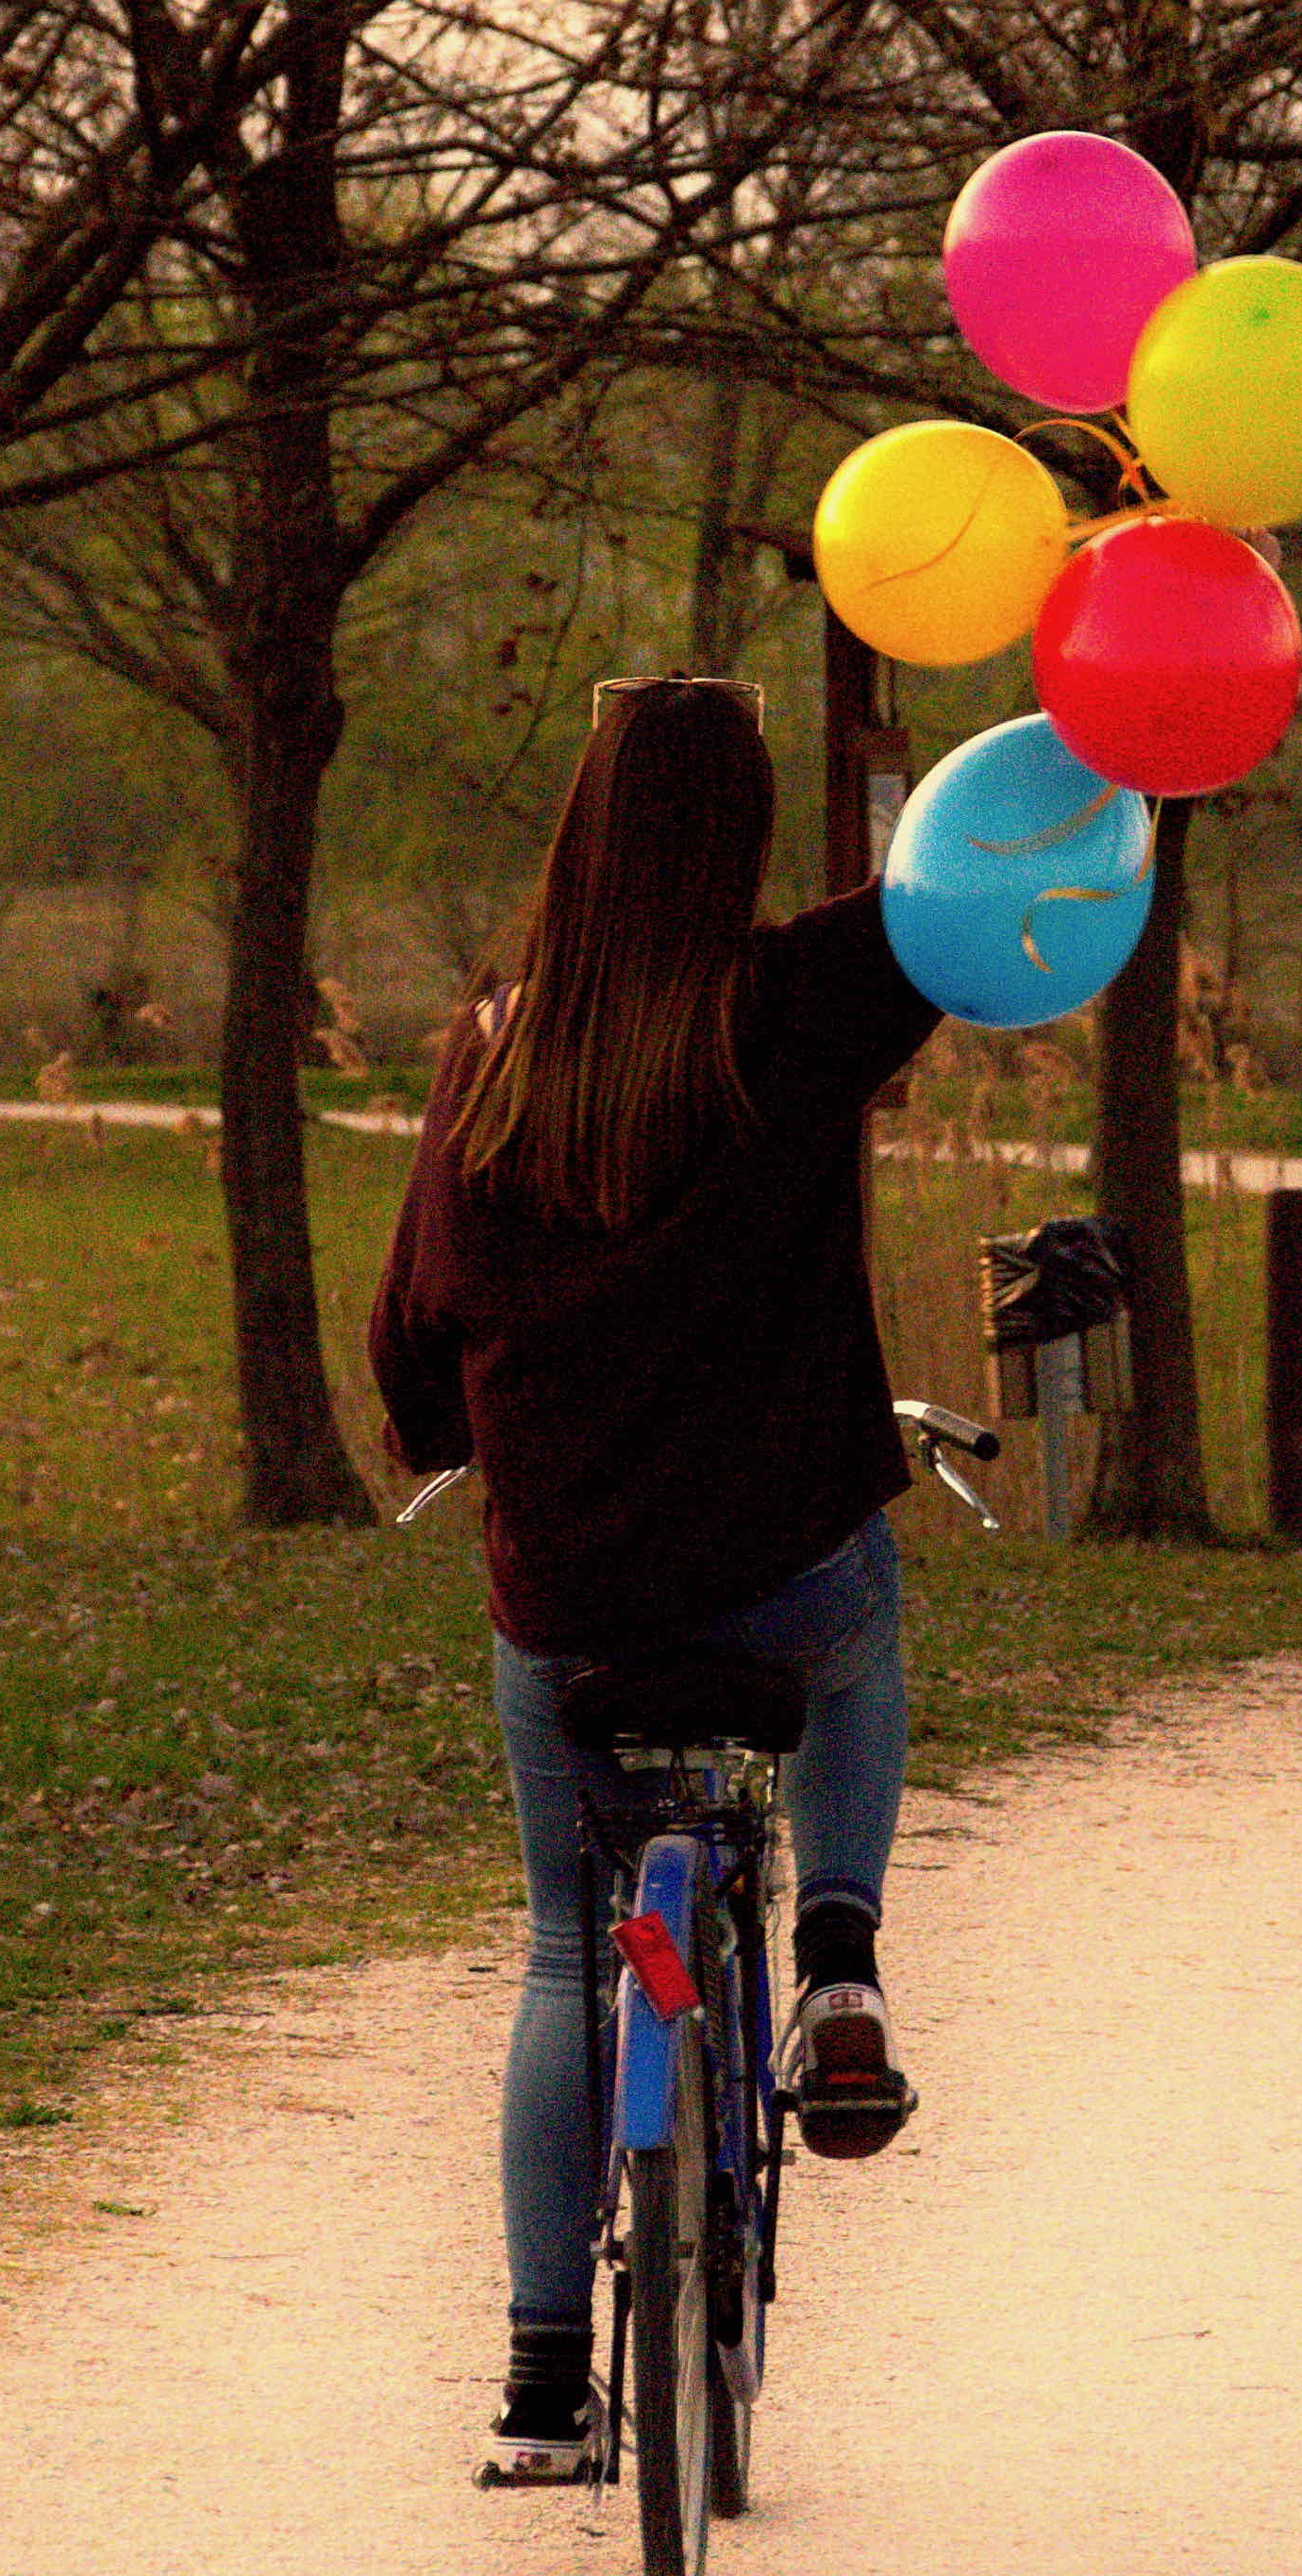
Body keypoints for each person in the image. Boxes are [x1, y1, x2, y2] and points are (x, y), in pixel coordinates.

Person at [366, 674, 941, 2481]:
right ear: (744, 841)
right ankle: (837, 1952)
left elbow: (413, 1321)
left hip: (573, 1607)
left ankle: (544, 2387)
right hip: (779, 1577)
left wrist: (436, 1436)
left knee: (562, 1946)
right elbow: (955, 899)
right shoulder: (798, 1005)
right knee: (859, 1648)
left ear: (579, 832)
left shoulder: (499, 1045)